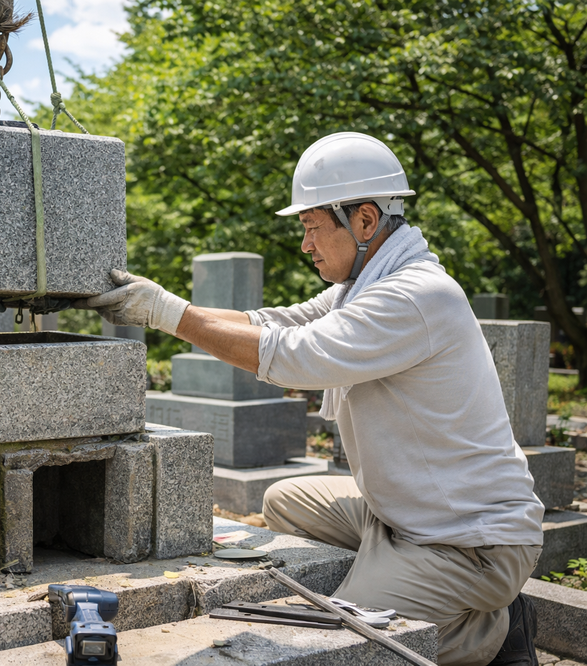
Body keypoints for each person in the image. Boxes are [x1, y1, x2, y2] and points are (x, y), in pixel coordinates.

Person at [78, 132, 544, 666]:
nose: (306, 244)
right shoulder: (362, 284)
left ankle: (492, 629)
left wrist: (168, 315)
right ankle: (402, 582)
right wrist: (163, 304)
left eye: (312, 226)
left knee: (337, 646)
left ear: (364, 221)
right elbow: (273, 322)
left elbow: (296, 353)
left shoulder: (416, 295)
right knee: (281, 500)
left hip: (467, 543)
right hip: (403, 516)